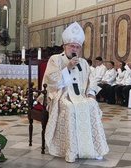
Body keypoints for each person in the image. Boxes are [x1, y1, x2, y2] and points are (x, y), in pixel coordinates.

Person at [43, 22, 109, 163]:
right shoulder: (56, 59)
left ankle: (94, 149)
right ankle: (71, 150)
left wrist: (91, 93)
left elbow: (92, 80)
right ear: (64, 46)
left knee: (92, 105)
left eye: (77, 47)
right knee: (70, 108)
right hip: (62, 95)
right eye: (72, 46)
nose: (75, 49)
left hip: (81, 96)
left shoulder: (84, 63)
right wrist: (68, 67)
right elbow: (52, 81)